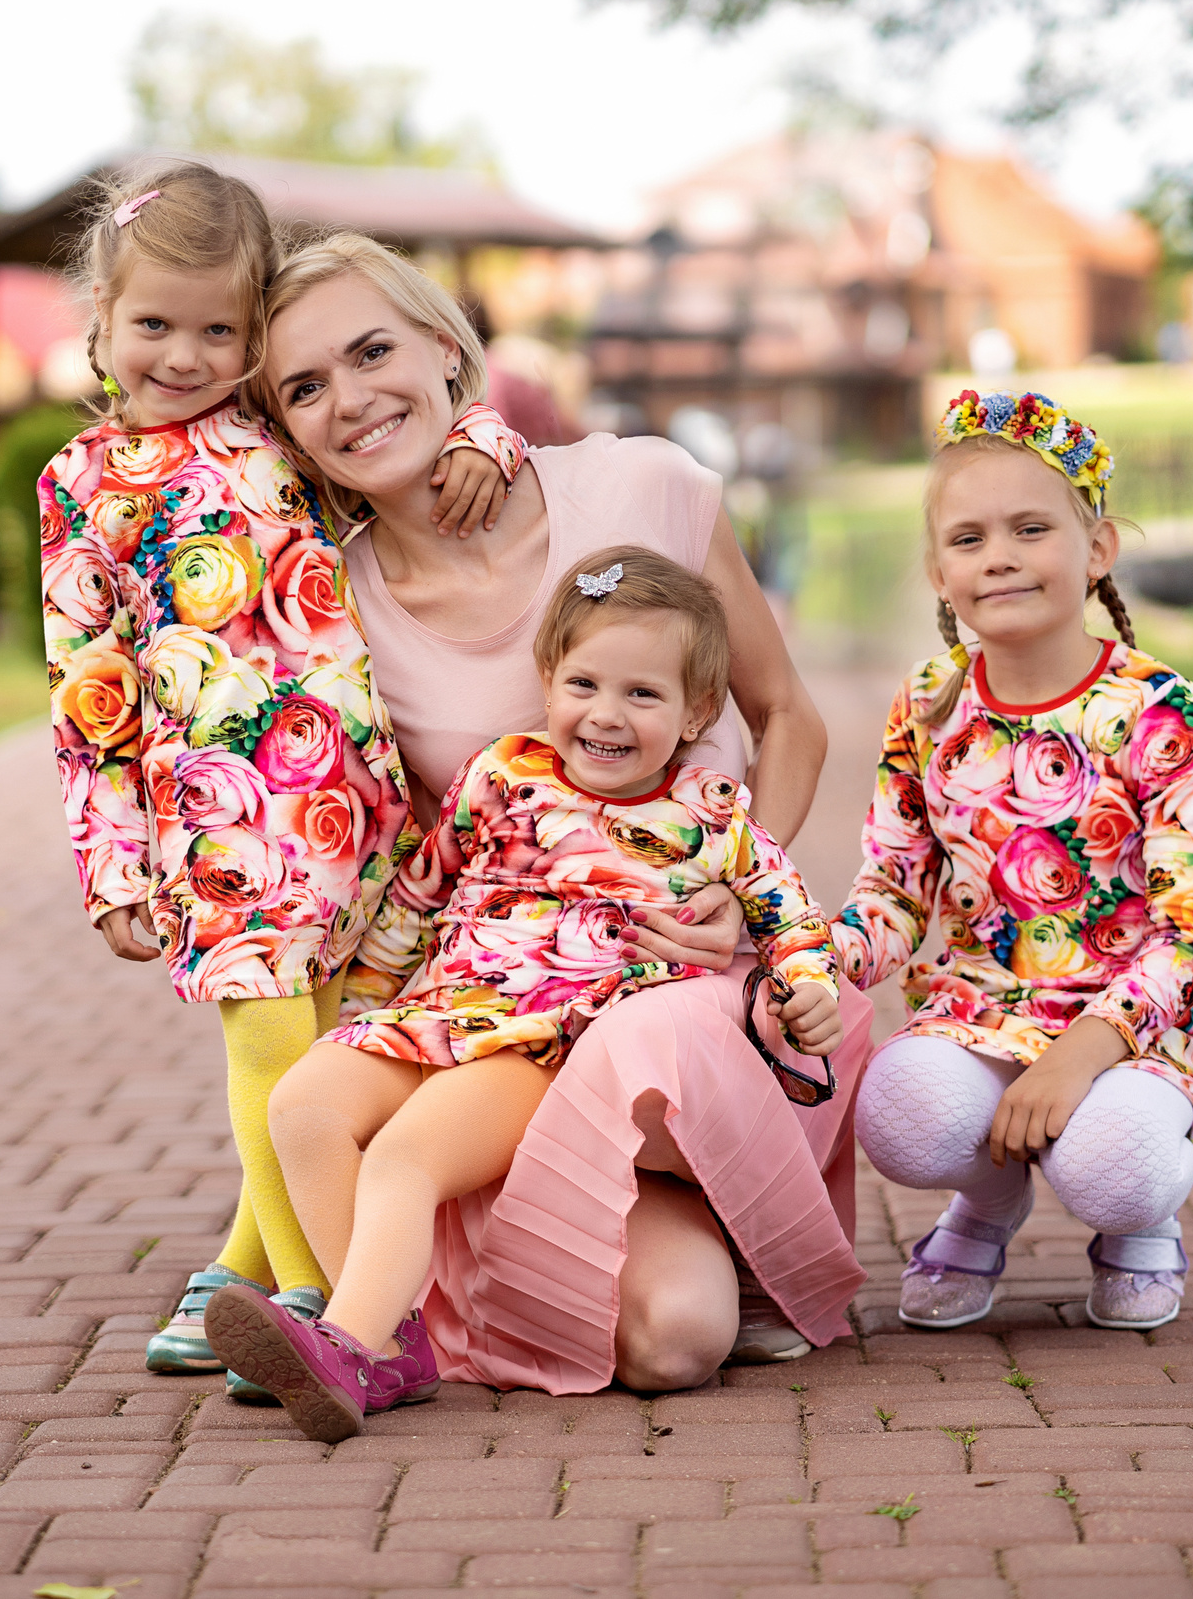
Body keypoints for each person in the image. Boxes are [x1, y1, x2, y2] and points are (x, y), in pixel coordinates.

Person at [252, 230, 873, 1397]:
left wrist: (728, 891)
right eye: (303, 386)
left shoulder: (639, 488)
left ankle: (715, 1190)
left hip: (684, 981)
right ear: (286, 430)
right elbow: (417, 861)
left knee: (648, 1068)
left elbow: (788, 714)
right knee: (674, 1337)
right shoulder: (339, 608)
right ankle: (378, 1334)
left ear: (446, 350)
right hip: (510, 1007)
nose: (349, 397)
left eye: (370, 349)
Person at [36, 161, 529, 1381]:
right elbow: (82, 689)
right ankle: (318, 1293)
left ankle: (239, 1272)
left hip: (355, 807)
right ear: (101, 315)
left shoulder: (273, 432)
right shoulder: (78, 486)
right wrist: (108, 865)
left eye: (222, 329)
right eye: (155, 324)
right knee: (266, 1048)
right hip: (220, 825)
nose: (187, 354)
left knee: (331, 1049)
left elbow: (395, 438)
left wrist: (484, 432)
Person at [206, 547, 845, 1440]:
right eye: (584, 682)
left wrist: (808, 986)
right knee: (304, 1101)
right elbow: (422, 893)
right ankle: (381, 1336)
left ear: (700, 710)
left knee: (405, 1156)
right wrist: (368, 1006)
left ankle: (349, 1345)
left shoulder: (711, 812)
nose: (606, 714)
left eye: (644, 695)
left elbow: (792, 916)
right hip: (439, 1010)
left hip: (542, 1041)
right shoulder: (501, 773)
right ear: (548, 680)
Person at [831, 390, 1193, 1333]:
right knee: (894, 1109)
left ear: (1096, 551)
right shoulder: (928, 704)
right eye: (967, 540)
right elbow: (892, 888)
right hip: (984, 1009)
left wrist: (1075, 1061)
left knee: (1110, 1162)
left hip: (1132, 1022)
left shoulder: (1157, 706)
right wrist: (808, 960)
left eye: (1030, 528)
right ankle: (990, 1197)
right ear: (939, 572)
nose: (999, 555)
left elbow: (1192, 933)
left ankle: (1143, 1218)